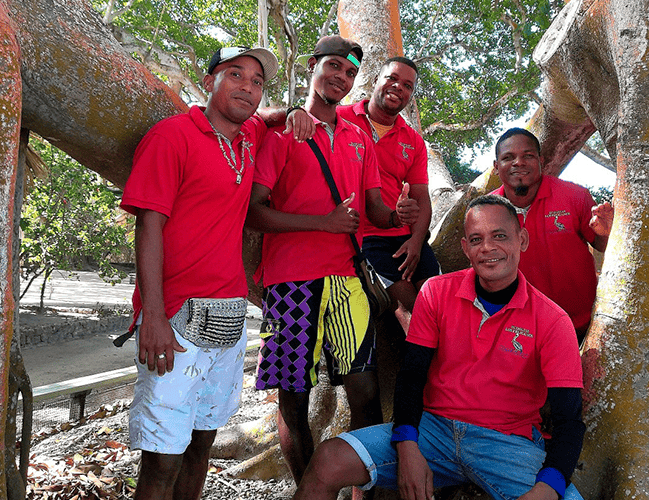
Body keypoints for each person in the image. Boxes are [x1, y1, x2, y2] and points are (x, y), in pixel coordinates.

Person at [292, 194, 585, 500]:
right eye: (476, 239)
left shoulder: (553, 320)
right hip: (433, 431)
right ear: (465, 248)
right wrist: (407, 446)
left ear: (521, 239)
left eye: (500, 236)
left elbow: (569, 420)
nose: (488, 248)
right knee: (328, 460)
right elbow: (412, 376)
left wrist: (548, 487)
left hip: (507, 442)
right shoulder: (436, 291)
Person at [120, 46, 313, 500]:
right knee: (161, 460)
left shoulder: (247, 141)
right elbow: (148, 227)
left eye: (256, 80)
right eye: (234, 75)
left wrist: (296, 111)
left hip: (228, 318)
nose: (247, 86)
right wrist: (154, 316)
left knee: (200, 446)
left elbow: (264, 119)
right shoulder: (172, 137)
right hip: (177, 318)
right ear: (208, 82)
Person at [246, 35, 420, 485]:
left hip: (348, 280)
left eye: (349, 73)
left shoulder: (360, 138)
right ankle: (308, 489)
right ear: (312, 66)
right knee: (294, 396)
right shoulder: (284, 132)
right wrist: (321, 223)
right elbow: (254, 211)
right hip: (290, 282)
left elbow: (373, 211)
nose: (341, 78)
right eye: (334, 67)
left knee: (364, 391)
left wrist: (397, 214)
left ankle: (361, 489)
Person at [337, 57, 440, 320]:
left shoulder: (413, 141)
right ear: (375, 81)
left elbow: (421, 198)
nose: (398, 87)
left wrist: (417, 241)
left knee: (439, 303)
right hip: (366, 237)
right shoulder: (340, 118)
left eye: (407, 85)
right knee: (409, 307)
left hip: (404, 235)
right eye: (392, 78)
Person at [490, 128, 614, 343]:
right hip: (523, 333)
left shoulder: (575, 196)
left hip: (585, 326)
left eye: (527, 156)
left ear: (541, 160)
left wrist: (608, 232)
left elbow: (603, 245)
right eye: (508, 157)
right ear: (495, 167)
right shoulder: (486, 211)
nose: (518, 163)